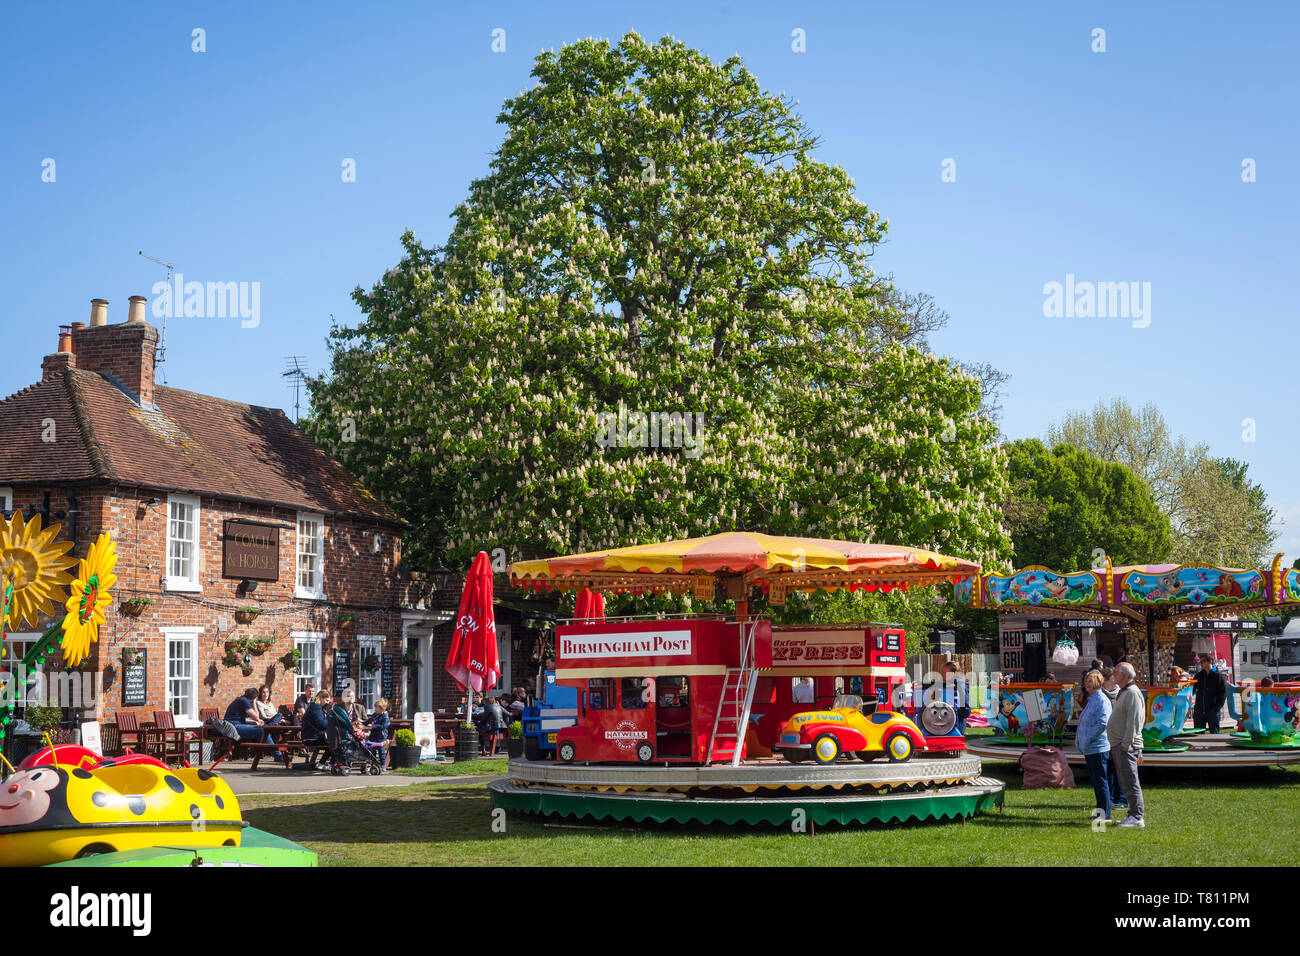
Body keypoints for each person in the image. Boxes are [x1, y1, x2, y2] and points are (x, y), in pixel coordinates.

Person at [1107, 662, 1146, 828]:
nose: (1113, 675)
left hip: (1126, 747)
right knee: (1126, 781)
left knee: (1130, 781)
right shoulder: (1125, 692)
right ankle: (1132, 814)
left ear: (1123, 675)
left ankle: (1137, 817)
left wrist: (1126, 744)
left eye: (1116, 672)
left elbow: (1134, 722)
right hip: (1121, 745)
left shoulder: (1131, 693)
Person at [1075, 669, 1113, 824]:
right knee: (1097, 782)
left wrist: (1088, 738)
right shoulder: (1092, 699)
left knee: (1100, 781)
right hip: (1091, 747)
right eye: (1086, 681)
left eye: (1090, 681)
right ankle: (1100, 813)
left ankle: (1104, 815)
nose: (1086, 683)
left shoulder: (1101, 700)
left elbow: (1103, 723)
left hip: (1098, 747)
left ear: (1098, 681)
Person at [1192, 654, 1227, 734]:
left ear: (1210, 661)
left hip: (1212, 711)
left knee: (1214, 735)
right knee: (1197, 736)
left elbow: (1223, 694)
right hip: (1199, 711)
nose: (1201, 663)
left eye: (1203, 661)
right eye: (1200, 662)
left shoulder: (1219, 676)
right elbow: (1192, 689)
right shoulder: (1199, 675)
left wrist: (1217, 707)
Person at [301, 689, 332, 768]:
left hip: (311, 736)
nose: (328, 703)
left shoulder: (316, 707)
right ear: (321, 698)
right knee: (336, 744)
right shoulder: (316, 708)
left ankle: (322, 763)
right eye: (327, 700)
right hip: (312, 737)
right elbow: (322, 724)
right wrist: (331, 721)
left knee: (335, 743)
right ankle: (328, 764)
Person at [943, 662, 971, 734]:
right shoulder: (947, 684)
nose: (943, 675)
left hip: (958, 722)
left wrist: (957, 716)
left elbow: (966, 708)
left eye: (946, 673)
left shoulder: (960, 685)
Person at [363, 697, 391, 767]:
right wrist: (363, 724)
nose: (375, 709)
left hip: (381, 737)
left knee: (381, 751)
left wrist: (373, 726)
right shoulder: (375, 714)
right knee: (372, 751)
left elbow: (384, 726)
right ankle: (374, 764)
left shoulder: (385, 717)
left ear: (382, 709)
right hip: (373, 736)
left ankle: (383, 765)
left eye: (376, 708)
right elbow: (369, 720)